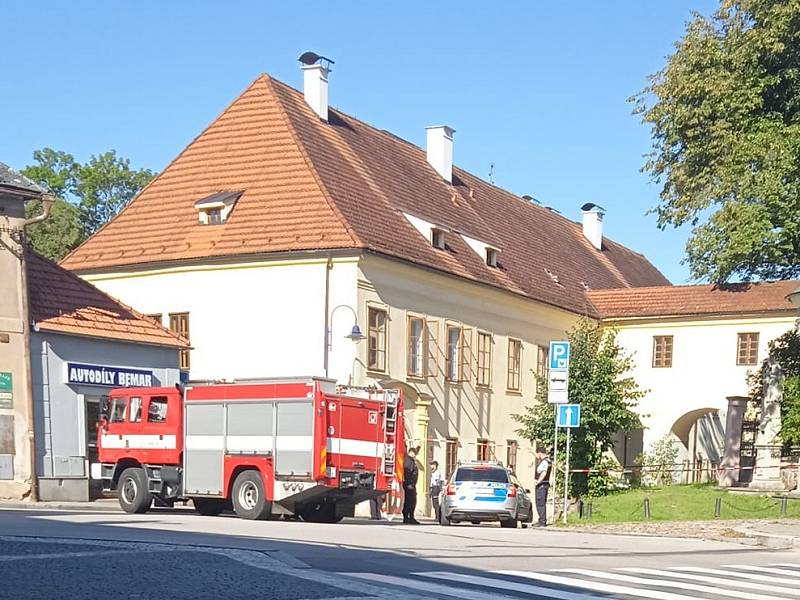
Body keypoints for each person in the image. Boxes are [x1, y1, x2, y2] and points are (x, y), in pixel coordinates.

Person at [533, 446, 551, 527]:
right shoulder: (548, 461)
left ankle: (542, 521)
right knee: (541, 503)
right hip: (544, 484)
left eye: (537, 454)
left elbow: (543, 473)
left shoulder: (544, 462)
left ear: (540, 453)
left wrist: (538, 482)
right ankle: (541, 520)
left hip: (542, 485)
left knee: (540, 503)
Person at [402, 446, 420, 524]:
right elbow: (407, 472)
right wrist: (409, 483)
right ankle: (407, 517)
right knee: (410, 501)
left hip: (411, 484)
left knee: (412, 501)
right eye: (414, 453)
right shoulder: (408, 461)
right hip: (409, 484)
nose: (415, 454)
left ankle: (410, 517)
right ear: (410, 452)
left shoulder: (411, 461)